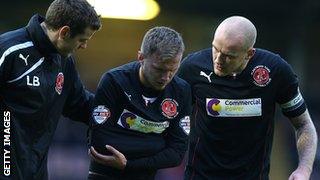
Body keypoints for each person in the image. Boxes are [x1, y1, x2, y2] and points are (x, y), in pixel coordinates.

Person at [178, 16, 318, 180]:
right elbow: (172, 114)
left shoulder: (275, 71)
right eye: (215, 49)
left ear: (249, 53)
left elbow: (303, 125)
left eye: (229, 56)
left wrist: (304, 169)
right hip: (200, 176)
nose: (218, 60)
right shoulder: (192, 68)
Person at [0, 0, 101, 179]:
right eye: (82, 40)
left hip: (36, 172)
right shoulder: (9, 51)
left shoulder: (64, 61)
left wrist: (117, 111)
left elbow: (80, 104)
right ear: (64, 32)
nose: (84, 46)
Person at [88, 26, 191, 180]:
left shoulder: (181, 91)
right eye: (159, 69)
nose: (166, 77)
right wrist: (156, 145)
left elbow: (176, 154)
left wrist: (128, 163)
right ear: (141, 57)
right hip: (104, 175)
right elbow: (100, 141)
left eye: (173, 70)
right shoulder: (114, 81)